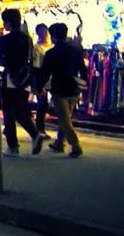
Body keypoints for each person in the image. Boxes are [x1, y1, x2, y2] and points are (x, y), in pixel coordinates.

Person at [0, 9, 43, 156]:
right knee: (21, 110)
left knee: (9, 112)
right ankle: (35, 134)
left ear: (9, 22)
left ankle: (13, 146)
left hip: (10, 79)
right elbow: (31, 60)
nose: (4, 25)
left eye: (5, 22)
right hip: (25, 79)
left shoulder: (3, 39)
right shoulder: (27, 39)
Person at [38, 23, 86, 158]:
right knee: (65, 117)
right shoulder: (75, 52)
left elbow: (45, 73)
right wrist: (85, 83)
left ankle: (75, 145)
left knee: (64, 120)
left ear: (53, 36)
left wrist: (39, 86)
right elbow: (83, 69)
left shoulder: (51, 53)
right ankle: (59, 143)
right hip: (74, 88)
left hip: (59, 89)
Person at [32, 23, 54, 138]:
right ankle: (40, 128)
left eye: (45, 31)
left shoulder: (51, 47)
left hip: (52, 79)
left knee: (46, 105)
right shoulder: (37, 47)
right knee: (42, 104)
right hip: (42, 78)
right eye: (41, 31)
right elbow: (36, 66)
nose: (44, 34)